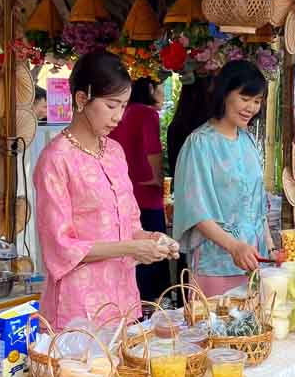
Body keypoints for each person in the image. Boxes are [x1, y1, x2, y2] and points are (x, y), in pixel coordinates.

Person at [33, 52, 176, 328]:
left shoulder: (114, 152)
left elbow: (129, 224)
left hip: (123, 301)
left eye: (123, 106)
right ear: (82, 99)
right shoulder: (55, 159)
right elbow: (60, 247)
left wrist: (152, 239)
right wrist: (132, 247)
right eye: (111, 106)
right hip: (78, 310)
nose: (118, 117)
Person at [173, 60, 274, 297]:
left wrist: (270, 247)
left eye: (257, 101)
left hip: (255, 261)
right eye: (245, 98)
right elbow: (196, 212)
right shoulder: (199, 143)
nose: (251, 108)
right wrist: (234, 246)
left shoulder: (248, 141)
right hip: (215, 265)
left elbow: (258, 207)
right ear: (224, 94)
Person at [110, 76, 170, 302]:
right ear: (151, 88)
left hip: (122, 196)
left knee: (128, 257)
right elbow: (152, 149)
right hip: (146, 194)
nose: (162, 96)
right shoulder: (146, 114)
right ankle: (151, 305)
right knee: (152, 256)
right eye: (161, 90)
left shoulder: (121, 114)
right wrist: (156, 176)